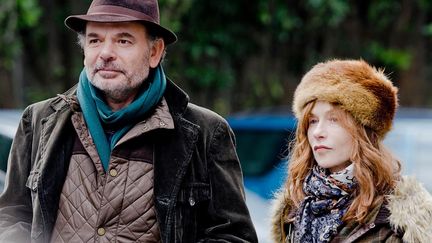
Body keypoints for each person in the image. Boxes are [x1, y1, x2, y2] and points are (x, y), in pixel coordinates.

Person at [0, 0, 258, 242]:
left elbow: (234, 236)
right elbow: (11, 216)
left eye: (123, 40)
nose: (105, 53)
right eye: (95, 40)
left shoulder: (206, 133)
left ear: (155, 52)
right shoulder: (39, 121)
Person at [271, 59, 432, 242]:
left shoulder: (400, 218)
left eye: (334, 120)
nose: (318, 132)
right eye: (313, 121)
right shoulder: (293, 206)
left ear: (362, 130)